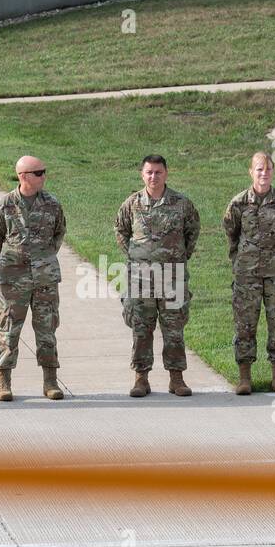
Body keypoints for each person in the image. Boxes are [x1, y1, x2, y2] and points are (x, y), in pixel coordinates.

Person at [114, 155, 200, 397]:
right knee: (141, 328)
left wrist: (177, 257)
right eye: (149, 172)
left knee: (174, 329)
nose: (154, 177)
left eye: (158, 172)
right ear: (142, 174)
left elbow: (192, 231)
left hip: (173, 278)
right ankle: (141, 378)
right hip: (141, 279)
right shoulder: (132, 204)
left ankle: (177, 378)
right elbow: (121, 229)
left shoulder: (181, 204)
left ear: (166, 174)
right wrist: (137, 255)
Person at [0, 156, 67, 402]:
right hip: (13, 278)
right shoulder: (5, 205)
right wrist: (11, 259)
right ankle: (3, 379)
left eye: (43, 172)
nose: (44, 176)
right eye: (39, 172)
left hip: (45, 277)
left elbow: (59, 233)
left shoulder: (52, 204)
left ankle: (50, 380)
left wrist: (43, 257)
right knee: (8, 328)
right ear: (24, 176)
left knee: (47, 328)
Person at [222, 152, 275, 395]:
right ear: (251, 172)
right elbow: (231, 234)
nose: (263, 173)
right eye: (259, 169)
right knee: (245, 325)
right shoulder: (239, 203)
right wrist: (242, 259)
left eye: (267, 169)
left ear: (273, 172)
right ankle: (245, 378)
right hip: (247, 275)